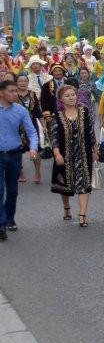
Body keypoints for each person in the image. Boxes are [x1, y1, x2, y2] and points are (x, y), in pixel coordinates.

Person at [49, 83, 97, 227]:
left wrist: (95, 150)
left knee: (84, 184)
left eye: (73, 95)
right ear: (61, 99)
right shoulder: (57, 115)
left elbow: (90, 132)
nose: (71, 98)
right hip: (65, 155)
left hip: (83, 153)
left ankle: (82, 214)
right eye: (67, 95)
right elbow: (54, 136)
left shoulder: (84, 111)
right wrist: (57, 154)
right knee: (65, 185)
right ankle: (67, 207)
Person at [0, 78, 40, 239]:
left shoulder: (20, 110)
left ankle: (10, 217)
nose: (15, 94)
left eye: (16, 91)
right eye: (11, 91)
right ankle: (1, 224)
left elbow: (31, 131)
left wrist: (33, 148)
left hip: (14, 154)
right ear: (1, 92)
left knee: (12, 190)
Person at [13, 75, 42, 184]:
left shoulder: (32, 94)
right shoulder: (12, 94)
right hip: (17, 125)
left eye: (25, 81)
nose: (23, 83)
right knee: (17, 149)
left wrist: (43, 125)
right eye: (20, 81)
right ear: (16, 82)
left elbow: (38, 111)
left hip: (31, 124)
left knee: (35, 148)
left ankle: (38, 172)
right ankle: (20, 172)